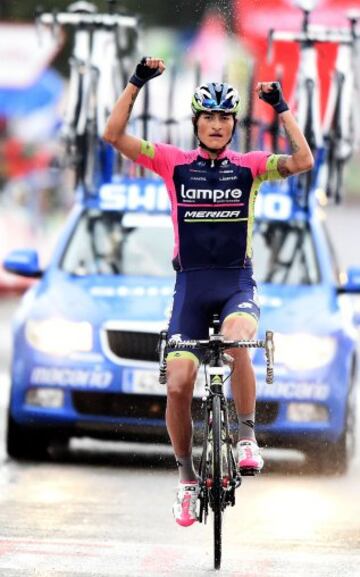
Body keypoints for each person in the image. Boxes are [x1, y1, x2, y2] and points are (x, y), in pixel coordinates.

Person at [103, 57, 314, 527]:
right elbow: (113, 136)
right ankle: (186, 478)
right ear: (196, 123)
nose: (217, 125)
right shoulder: (173, 163)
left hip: (235, 282)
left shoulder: (252, 167)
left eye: (224, 118)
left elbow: (303, 161)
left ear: (234, 125)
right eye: (208, 117)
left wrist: (280, 107)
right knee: (178, 385)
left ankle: (244, 436)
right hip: (191, 288)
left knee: (239, 339)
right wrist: (136, 81)